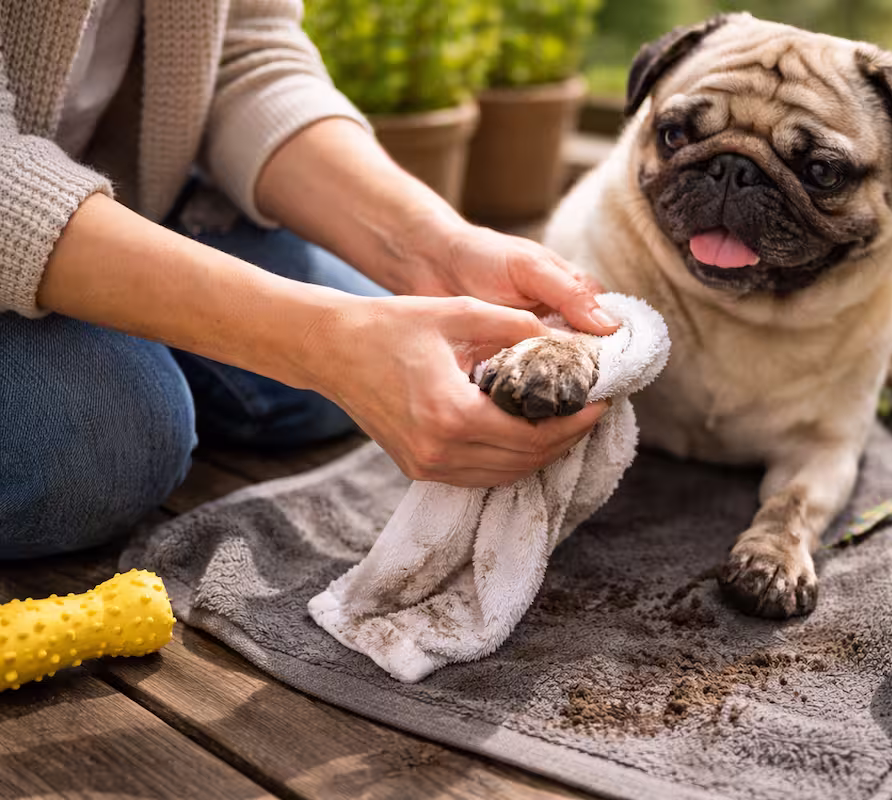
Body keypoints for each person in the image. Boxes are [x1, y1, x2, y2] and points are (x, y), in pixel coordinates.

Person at [0, 0, 618, 558]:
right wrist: (321, 341)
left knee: (344, 367)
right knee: (110, 448)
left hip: (123, 188)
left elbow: (249, 56)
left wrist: (436, 245)